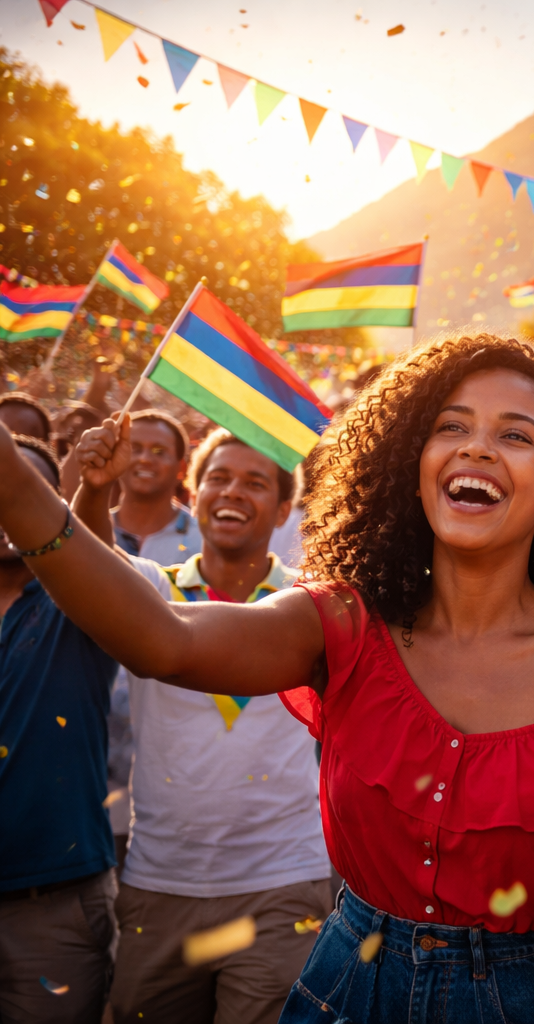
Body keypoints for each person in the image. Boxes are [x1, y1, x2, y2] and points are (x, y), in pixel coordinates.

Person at [0, 332, 534, 1023]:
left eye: (515, 436)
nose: (476, 447)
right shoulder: (341, 622)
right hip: (349, 985)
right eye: (449, 427)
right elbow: (164, 641)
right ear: (415, 462)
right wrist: (12, 479)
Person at [71, 424, 333, 1024]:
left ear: (285, 507)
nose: (233, 492)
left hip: (285, 883)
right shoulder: (154, 592)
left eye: (255, 482)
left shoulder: (314, 605)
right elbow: (85, 562)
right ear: (194, 492)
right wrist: (93, 489)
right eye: (218, 477)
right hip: (160, 884)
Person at [0, 435, 165, 1024]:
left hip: (54, 904)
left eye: (26, 491)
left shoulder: (71, 604)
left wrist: (95, 490)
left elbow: (98, 558)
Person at [111, 409, 202, 565]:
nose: (145, 459)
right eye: (135, 448)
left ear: (181, 469)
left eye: (159, 451)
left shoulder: (202, 542)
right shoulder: (88, 530)